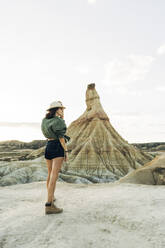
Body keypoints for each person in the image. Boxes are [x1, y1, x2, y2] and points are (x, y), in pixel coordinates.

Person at [41, 101, 70, 215]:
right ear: (56, 109)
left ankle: (51, 197)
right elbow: (61, 138)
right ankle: (49, 205)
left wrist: (62, 117)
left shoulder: (45, 120)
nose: (63, 111)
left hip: (48, 146)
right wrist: (66, 151)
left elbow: (49, 133)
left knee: (49, 174)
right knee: (54, 176)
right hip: (57, 146)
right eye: (61, 109)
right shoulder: (59, 121)